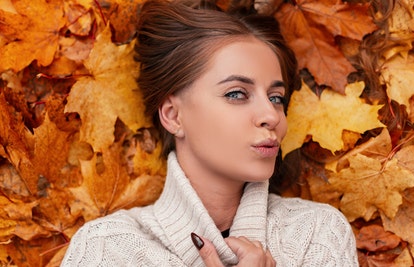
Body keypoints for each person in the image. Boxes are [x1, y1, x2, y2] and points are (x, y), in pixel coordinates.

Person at [61, 0, 359, 266]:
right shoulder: (106, 250)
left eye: (276, 97)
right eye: (236, 94)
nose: (271, 116)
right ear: (173, 116)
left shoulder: (317, 233)